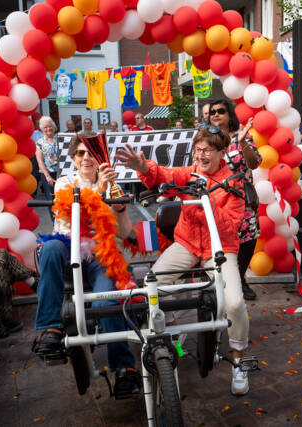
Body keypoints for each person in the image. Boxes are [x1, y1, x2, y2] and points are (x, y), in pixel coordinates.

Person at [116, 128, 252, 396]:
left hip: (220, 246)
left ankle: (239, 361)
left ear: (221, 152)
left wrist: (208, 203)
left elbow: (232, 225)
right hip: (187, 242)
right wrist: (142, 166)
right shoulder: (189, 173)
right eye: (198, 150)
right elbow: (162, 174)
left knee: (234, 302)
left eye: (207, 150)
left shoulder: (233, 182)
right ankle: (168, 335)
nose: (201, 155)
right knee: (152, 285)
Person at [32, 138, 142, 398]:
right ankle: (51, 327)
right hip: (67, 246)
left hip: (101, 255)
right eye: (80, 153)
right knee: (49, 249)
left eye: (90, 153)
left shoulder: (113, 185)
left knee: (106, 302)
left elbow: (125, 232)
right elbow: (69, 213)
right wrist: (100, 191)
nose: (85, 158)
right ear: (73, 158)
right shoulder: (65, 182)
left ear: (99, 156)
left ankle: (124, 368)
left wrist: (118, 204)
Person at [208, 99, 262, 301]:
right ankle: (223, 282)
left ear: (230, 115)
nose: (215, 114)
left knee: (247, 240)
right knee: (220, 242)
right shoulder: (207, 140)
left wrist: (241, 143)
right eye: (212, 111)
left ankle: (240, 279)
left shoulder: (242, 136)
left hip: (243, 198)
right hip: (217, 199)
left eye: (221, 111)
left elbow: (254, 163)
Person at [35, 116, 59, 221]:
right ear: (41, 129)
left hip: (61, 173)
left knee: (64, 198)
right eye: (45, 127)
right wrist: (47, 176)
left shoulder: (60, 139)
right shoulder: (39, 142)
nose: (48, 129)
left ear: (54, 127)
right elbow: (40, 160)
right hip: (47, 174)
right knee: (51, 200)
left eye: (50, 126)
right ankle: (55, 223)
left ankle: (65, 223)